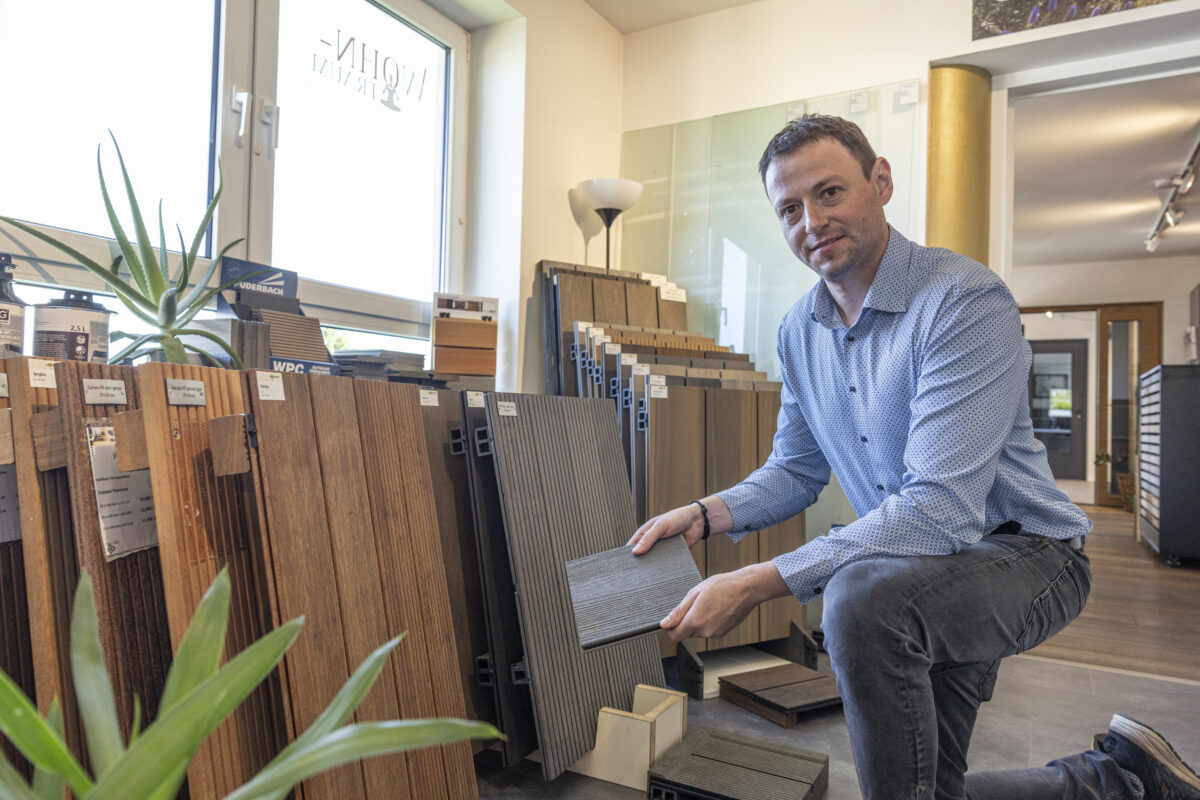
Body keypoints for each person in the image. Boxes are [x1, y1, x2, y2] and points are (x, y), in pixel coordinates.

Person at [628, 114, 1200, 800]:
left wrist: (757, 583)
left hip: (1028, 557)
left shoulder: (963, 300)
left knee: (858, 600)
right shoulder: (798, 331)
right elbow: (795, 470)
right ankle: (1117, 781)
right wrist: (702, 515)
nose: (812, 221)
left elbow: (937, 510)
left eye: (829, 192)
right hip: (913, 571)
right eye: (790, 209)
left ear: (881, 182)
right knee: (926, 787)